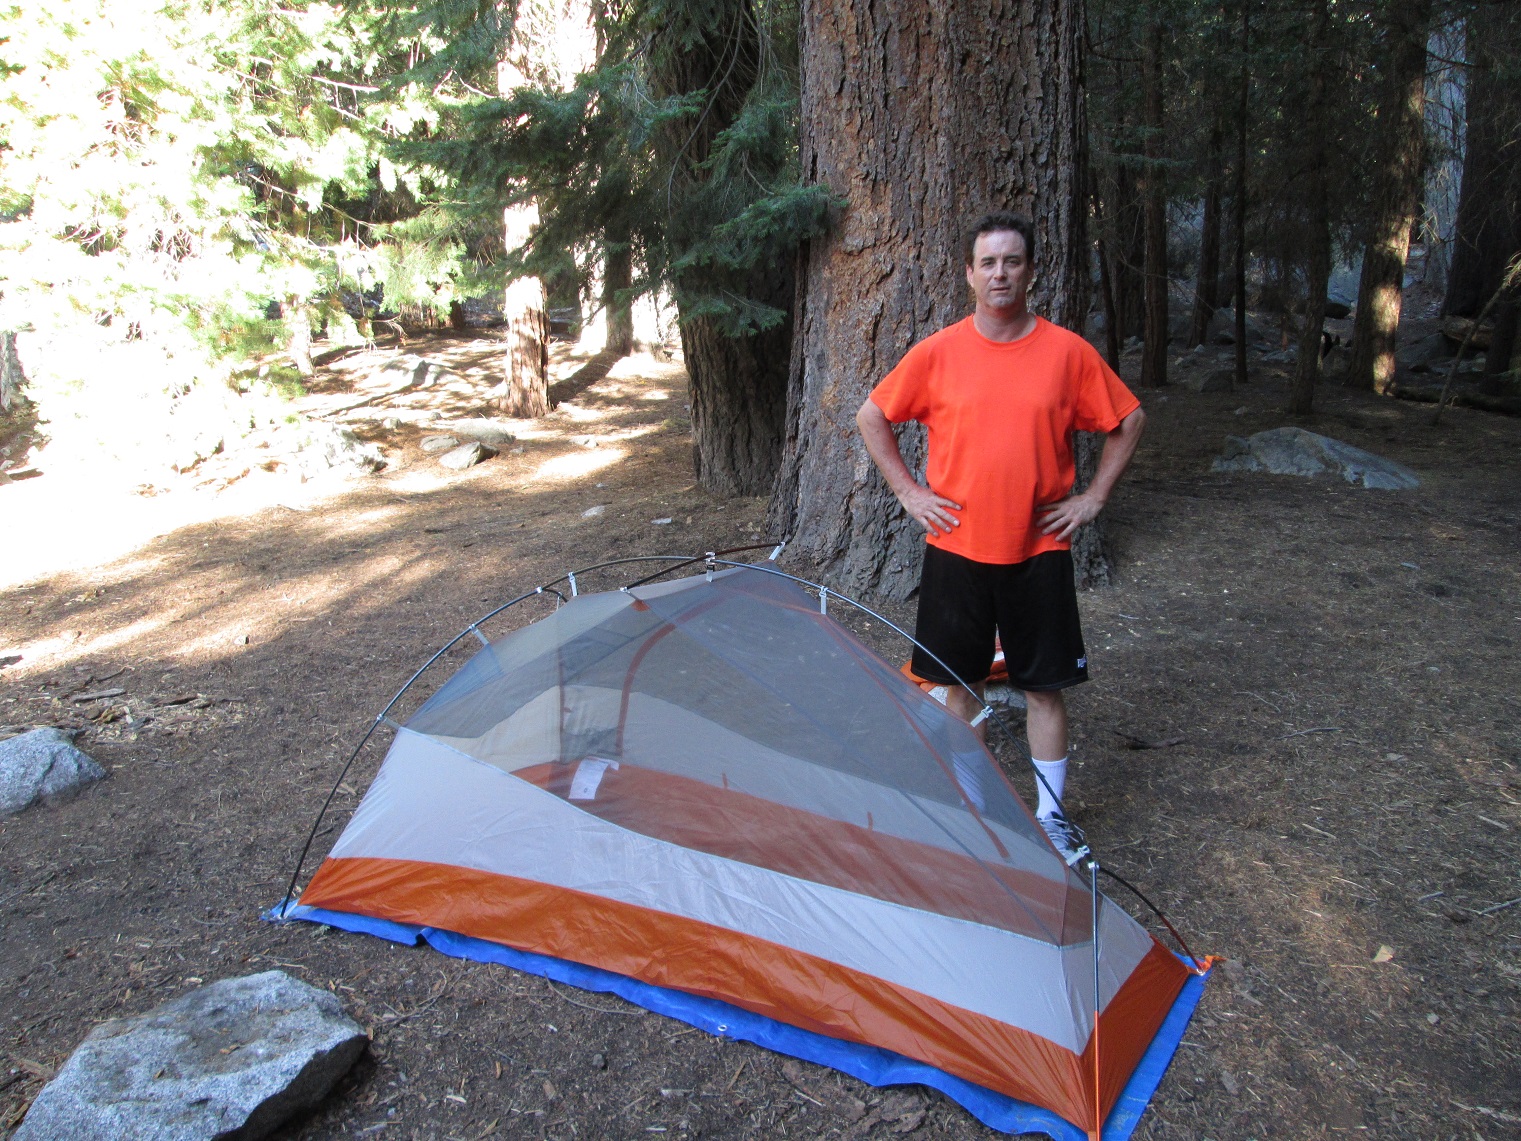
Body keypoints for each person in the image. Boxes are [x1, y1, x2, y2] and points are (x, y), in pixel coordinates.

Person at [855, 210, 1145, 863]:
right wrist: (908, 492)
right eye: (987, 262)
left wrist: (1094, 497)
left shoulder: (1067, 354)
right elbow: (872, 415)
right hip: (956, 549)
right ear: (969, 273)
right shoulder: (938, 352)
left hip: (1037, 551)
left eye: (1012, 261)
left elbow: (1128, 420)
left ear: (1031, 271)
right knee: (960, 688)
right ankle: (974, 812)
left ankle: (1052, 818)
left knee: (1043, 688)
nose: (1000, 274)